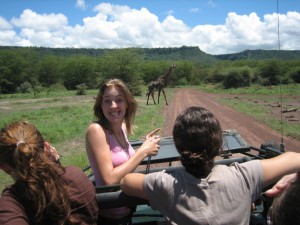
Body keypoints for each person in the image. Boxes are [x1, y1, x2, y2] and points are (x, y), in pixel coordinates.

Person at [121, 106, 300, 225]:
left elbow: (126, 182)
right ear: (219, 144)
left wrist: (143, 151)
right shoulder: (246, 175)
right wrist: (292, 176)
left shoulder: (164, 184)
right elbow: (294, 158)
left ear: (178, 146)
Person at [85, 79, 160, 224]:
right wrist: (142, 152)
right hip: (110, 215)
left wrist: (146, 145)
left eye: (119, 100)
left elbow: (125, 165)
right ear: (101, 105)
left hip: (127, 208)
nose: (113, 106)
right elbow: (109, 180)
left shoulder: (122, 127)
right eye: (107, 101)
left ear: (127, 104)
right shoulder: (96, 130)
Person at [0, 120, 99, 225]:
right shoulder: (76, 176)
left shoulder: (11, 204)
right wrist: (55, 164)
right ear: (46, 147)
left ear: (4, 167)